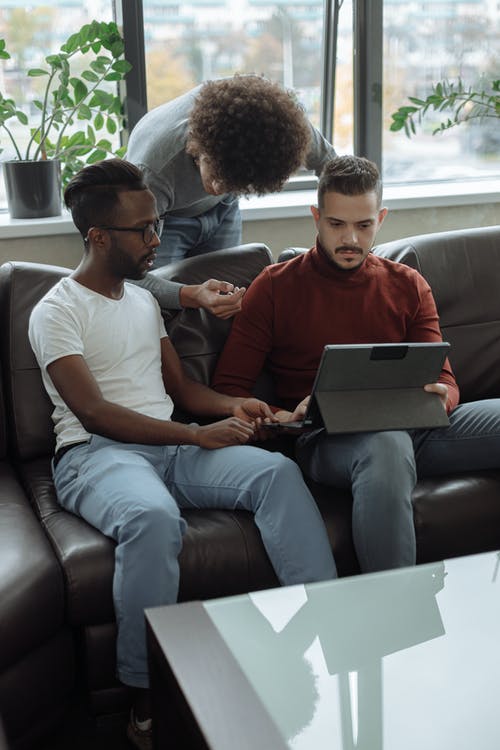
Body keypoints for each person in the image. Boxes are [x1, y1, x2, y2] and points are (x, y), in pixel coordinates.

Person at [28, 158, 336, 750]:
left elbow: (183, 393)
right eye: (142, 229)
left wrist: (239, 406)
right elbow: (93, 412)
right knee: (150, 517)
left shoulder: (144, 303)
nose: (156, 239)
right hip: (96, 455)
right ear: (97, 236)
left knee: (275, 472)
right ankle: (144, 701)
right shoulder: (56, 311)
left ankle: (321, 630)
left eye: (156, 224)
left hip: (169, 447)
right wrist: (199, 435)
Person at [213, 154, 500, 574]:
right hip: (328, 442)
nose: (350, 238)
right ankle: (392, 614)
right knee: (386, 444)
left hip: (415, 429)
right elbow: (229, 390)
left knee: (397, 439)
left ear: (380, 218)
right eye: (336, 224)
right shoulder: (274, 287)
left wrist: (443, 396)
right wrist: (283, 416)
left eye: (363, 225)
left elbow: (445, 377)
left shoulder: (408, 284)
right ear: (316, 216)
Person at [126, 74, 336, 266]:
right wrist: (184, 295)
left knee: (226, 293)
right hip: (165, 220)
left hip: (223, 209)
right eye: (216, 173)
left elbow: (334, 168)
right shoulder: (152, 171)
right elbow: (131, 274)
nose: (217, 187)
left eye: (232, 181)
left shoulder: (275, 126)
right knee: (161, 302)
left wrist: (336, 228)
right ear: (200, 144)